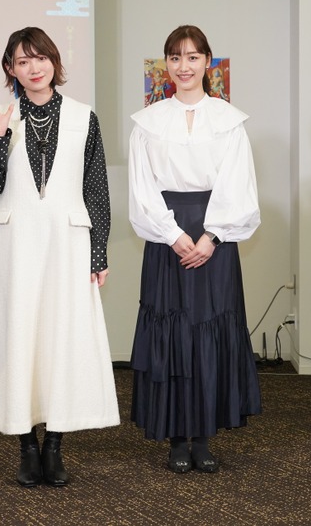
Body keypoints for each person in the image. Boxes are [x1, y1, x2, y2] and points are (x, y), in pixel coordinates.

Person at [0, 27, 119, 487]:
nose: (34, 67)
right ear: (10, 69)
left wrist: (99, 250)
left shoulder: (83, 116)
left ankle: (55, 447)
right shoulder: (2, 117)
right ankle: (26, 447)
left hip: (69, 244)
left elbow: (96, 189)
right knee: (20, 338)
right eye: (22, 61)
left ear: (54, 61)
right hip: (17, 244)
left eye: (41, 58)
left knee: (63, 339)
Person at [127, 25, 261, 474]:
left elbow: (237, 185)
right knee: (173, 332)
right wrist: (173, 234)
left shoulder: (229, 120)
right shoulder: (147, 123)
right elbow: (142, 189)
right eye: (175, 57)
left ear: (208, 62)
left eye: (192, 57)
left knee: (209, 329)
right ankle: (175, 437)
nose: (183, 67)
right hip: (168, 237)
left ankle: (203, 436)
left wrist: (211, 236)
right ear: (165, 64)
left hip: (213, 237)